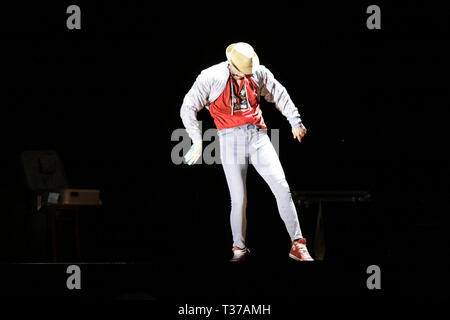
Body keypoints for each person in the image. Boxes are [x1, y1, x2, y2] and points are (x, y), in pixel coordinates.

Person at [180, 42, 313, 262]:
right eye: (242, 74)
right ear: (232, 65)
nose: (245, 77)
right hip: (229, 139)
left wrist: (295, 121)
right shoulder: (211, 77)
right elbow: (188, 106)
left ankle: (297, 244)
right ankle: (239, 249)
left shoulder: (257, 72)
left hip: (257, 137)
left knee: (283, 188)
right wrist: (197, 140)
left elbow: (279, 93)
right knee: (239, 198)